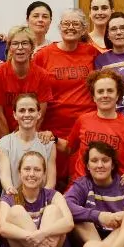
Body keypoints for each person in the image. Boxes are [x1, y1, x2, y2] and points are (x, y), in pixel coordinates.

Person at [33, 9, 98, 174]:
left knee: (82, 176)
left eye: (76, 24)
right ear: (59, 27)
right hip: (52, 128)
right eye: (66, 24)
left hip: (85, 127)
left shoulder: (92, 53)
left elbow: (115, 56)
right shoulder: (42, 55)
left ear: (84, 29)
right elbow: (33, 90)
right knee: (52, 177)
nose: (70, 27)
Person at [0, 150, 74, 247]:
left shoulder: (54, 195)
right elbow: (2, 228)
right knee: (16, 211)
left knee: (53, 211)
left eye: (37, 170)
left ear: (44, 174)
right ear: (19, 173)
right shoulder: (9, 197)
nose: (31, 174)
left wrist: (42, 233)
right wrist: (30, 235)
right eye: (27, 169)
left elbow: (69, 223)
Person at [63, 142, 124, 247]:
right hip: (91, 237)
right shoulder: (83, 184)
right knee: (81, 221)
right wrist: (100, 216)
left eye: (105, 160)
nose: (100, 165)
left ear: (113, 164)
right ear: (88, 166)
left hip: (117, 241)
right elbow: (66, 204)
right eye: (94, 161)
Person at [61, 69, 124, 180]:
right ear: (94, 97)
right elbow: (68, 148)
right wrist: (52, 138)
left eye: (110, 91)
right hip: (81, 187)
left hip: (114, 189)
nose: (105, 95)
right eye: (100, 91)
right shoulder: (83, 120)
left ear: (118, 94)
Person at [0, 26, 52, 138]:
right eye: (15, 43)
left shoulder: (42, 75)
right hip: (3, 137)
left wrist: (27, 141)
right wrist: (9, 144)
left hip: (31, 137)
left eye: (25, 43)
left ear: (32, 47)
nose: (20, 47)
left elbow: (40, 116)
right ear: (9, 47)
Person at [0, 93, 55, 195]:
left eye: (31, 110)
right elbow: (5, 177)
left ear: (39, 114)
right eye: (22, 110)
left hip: (42, 201)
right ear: (15, 114)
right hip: (13, 200)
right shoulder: (3, 144)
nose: (27, 114)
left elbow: (51, 182)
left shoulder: (48, 144)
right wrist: (11, 191)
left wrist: (40, 201)